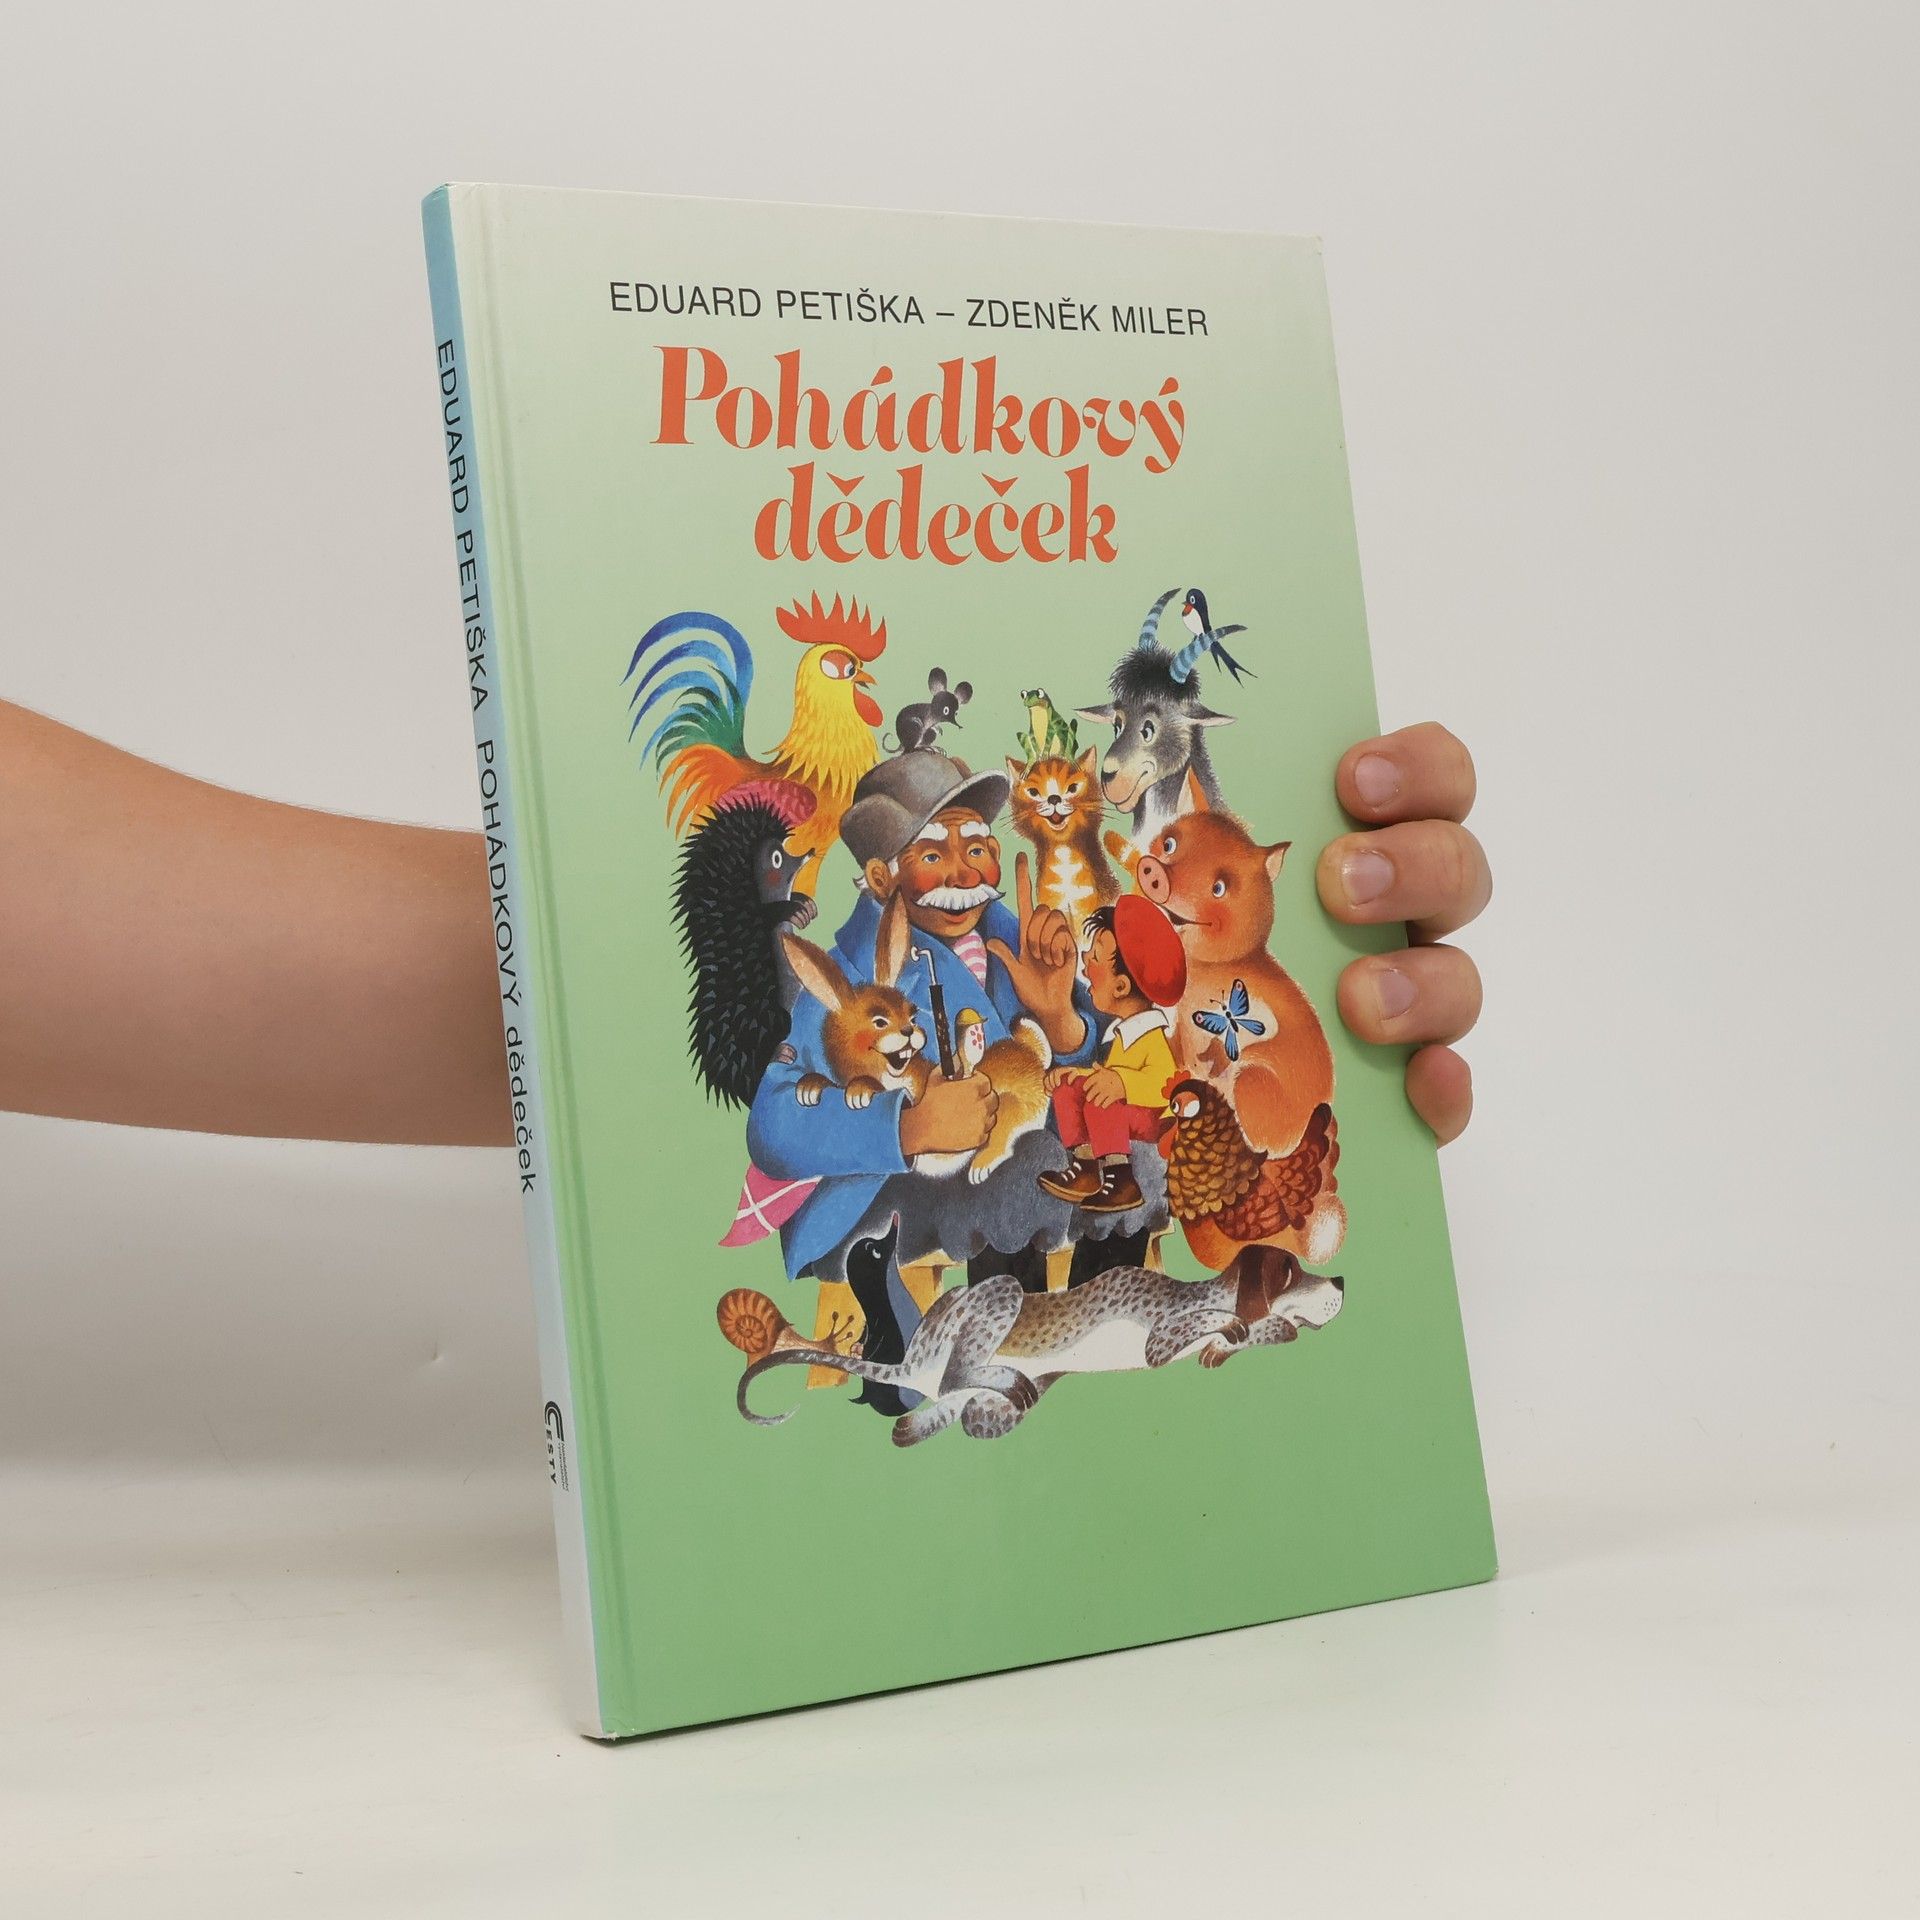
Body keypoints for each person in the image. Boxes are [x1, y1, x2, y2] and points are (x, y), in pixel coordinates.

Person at [0, 700, 1491, 1150]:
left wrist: (1263, 950)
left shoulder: (1006, 929)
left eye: (976, 839)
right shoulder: (854, 979)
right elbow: (797, 1097)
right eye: (935, 847)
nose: (966, 862)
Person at [1039, 897, 1188, 1215]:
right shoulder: (1121, 1034)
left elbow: (1164, 1083)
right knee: (1069, 1090)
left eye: (1094, 957)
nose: (1084, 962)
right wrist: (1077, 1076)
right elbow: (1111, 1076)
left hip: (1151, 1118)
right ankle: (1085, 1167)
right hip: (1122, 1110)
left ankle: (1121, 1179)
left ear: (1120, 987)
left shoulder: (1150, 1036)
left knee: (1101, 1101)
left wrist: (1121, 1083)